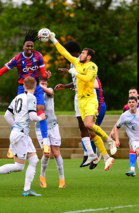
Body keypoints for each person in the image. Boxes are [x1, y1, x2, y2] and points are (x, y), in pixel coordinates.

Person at [0, 30, 52, 154]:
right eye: (28, 46)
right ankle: (12, 144)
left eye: (32, 46)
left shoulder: (38, 56)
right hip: (23, 88)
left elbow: (43, 75)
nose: (30, 48)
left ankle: (45, 142)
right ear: (23, 47)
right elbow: (0, 71)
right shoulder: (17, 58)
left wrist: (46, 76)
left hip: (36, 87)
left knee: (40, 109)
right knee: (18, 115)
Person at [49, 34, 116, 171]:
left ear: (88, 56)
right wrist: (53, 38)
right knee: (89, 130)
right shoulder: (75, 62)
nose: (80, 55)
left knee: (88, 125)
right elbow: (62, 51)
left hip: (91, 99)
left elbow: (87, 79)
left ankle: (109, 141)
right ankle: (104, 157)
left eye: (83, 53)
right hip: (80, 99)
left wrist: (74, 72)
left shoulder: (92, 66)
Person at [0, 76, 45, 196]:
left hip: (21, 134)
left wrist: (16, 126)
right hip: (20, 135)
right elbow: (32, 117)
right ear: (35, 86)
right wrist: (40, 117)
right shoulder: (32, 97)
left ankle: (27, 190)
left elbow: (7, 116)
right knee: (19, 167)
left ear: (24, 86)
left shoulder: (17, 97)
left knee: (34, 160)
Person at [35, 78, 65, 188]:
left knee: (56, 153)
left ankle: (62, 179)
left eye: (45, 83)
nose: (44, 85)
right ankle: (42, 176)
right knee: (46, 154)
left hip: (53, 125)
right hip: (40, 127)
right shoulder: (34, 95)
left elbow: (50, 92)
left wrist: (38, 85)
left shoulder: (49, 91)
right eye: (41, 83)